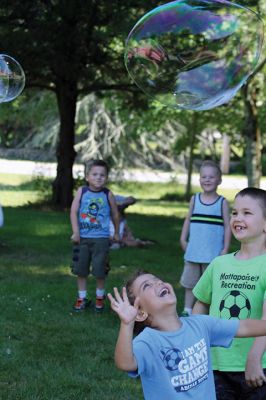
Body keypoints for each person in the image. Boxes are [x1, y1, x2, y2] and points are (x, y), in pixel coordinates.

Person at [108, 270, 266, 400]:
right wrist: (127, 325)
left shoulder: (200, 324)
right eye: (146, 286)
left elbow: (243, 327)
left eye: (157, 279)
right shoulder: (148, 342)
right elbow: (125, 364)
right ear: (140, 313)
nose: (157, 283)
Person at [193, 187, 266, 399]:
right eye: (234, 212)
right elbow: (201, 303)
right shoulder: (219, 263)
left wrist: (254, 357)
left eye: (247, 213)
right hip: (217, 365)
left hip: (258, 365)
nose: (237, 218)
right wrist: (197, 342)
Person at [179, 160, 231, 317]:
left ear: (219, 180)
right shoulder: (195, 199)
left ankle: (207, 312)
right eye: (203, 177)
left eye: (211, 177)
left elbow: (228, 226)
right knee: (190, 283)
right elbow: (188, 219)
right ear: (199, 179)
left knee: (210, 284)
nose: (207, 180)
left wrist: (225, 248)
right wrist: (183, 239)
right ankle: (187, 309)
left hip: (212, 253)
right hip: (194, 251)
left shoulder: (222, 202)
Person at [70, 159, 120, 312]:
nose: (98, 177)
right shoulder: (82, 192)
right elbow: (73, 211)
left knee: (100, 270)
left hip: (101, 239)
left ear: (106, 177)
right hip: (83, 238)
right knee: (81, 269)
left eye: (102, 175)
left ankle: (99, 298)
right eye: (95, 174)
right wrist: (76, 232)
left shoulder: (108, 194)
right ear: (87, 176)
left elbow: (115, 214)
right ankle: (82, 298)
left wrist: (116, 232)